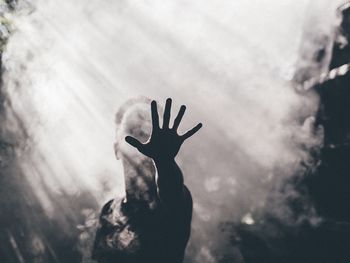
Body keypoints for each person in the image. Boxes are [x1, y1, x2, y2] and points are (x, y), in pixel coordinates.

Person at [92, 97, 202, 263]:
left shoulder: (171, 204)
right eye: (132, 131)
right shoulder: (108, 210)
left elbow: (171, 189)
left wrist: (164, 161)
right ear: (117, 149)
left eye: (146, 132)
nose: (141, 139)